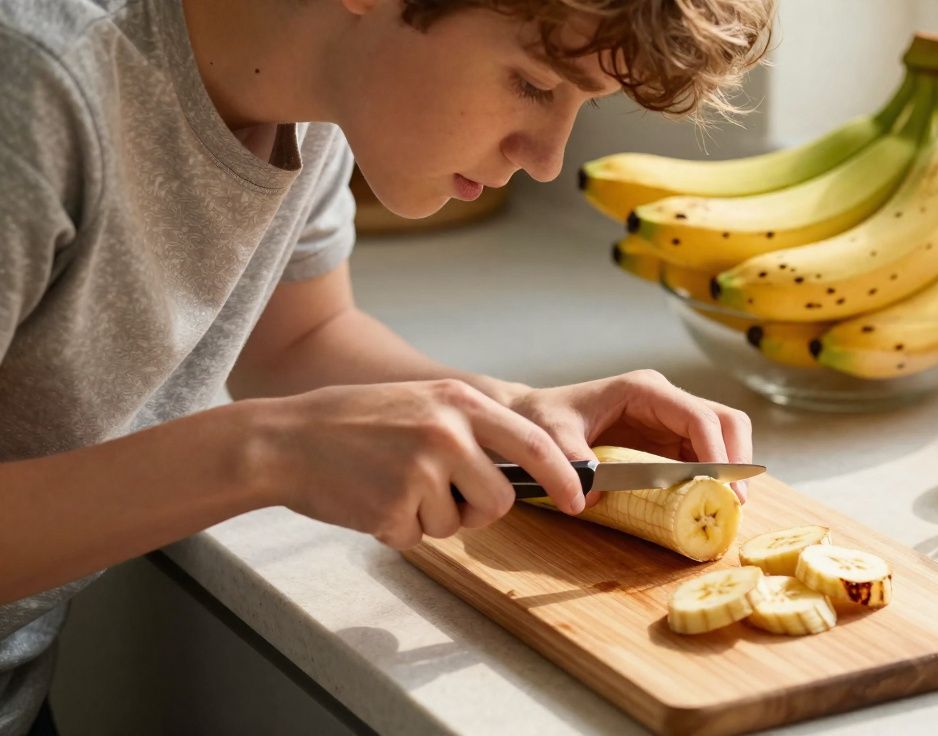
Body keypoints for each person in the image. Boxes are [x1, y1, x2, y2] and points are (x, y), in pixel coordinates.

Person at [0, 0, 774, 732]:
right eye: (533, 84)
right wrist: (266, 451)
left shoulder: (320, 91)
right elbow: (279, 416)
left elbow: (299, 340)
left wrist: (509, 413)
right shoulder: (32, 80)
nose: (546, 160)